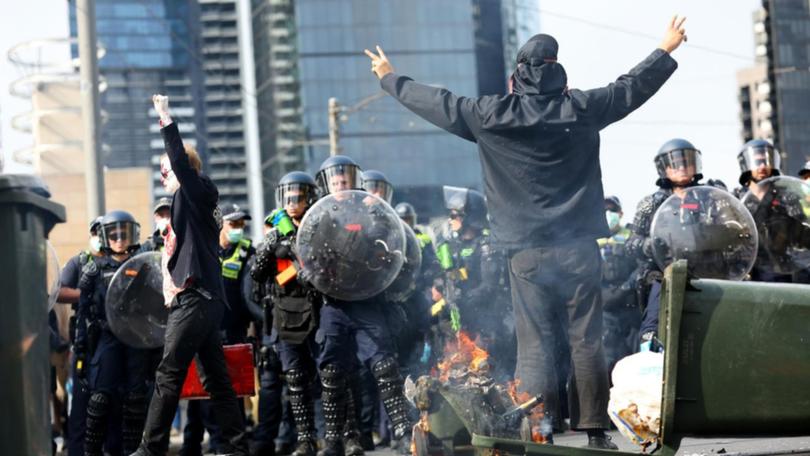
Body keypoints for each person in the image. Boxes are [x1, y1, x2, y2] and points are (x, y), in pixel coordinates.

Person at [365, 16, 687, 448]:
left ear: (517, 72)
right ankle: (595, 433)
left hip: (525, 254)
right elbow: (630, 88)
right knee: (586, 342)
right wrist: (664, 49)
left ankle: (540, 431)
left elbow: (438, 102)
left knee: (534, 345)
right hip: (577, 249)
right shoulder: (582, 108)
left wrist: (390, 79)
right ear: (558, 68)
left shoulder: (490, 114)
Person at [131, 94, 247, 456]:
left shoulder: (195, 191)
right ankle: (235, 446)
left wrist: (164, 118)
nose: (164, 175)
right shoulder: (196, 204)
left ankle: (150, 449)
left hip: (195, 300)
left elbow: (181, 161)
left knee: (168, 375)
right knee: (216, 378)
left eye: (166, 169)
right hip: (205, 302)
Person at [306, 155, 413, 455]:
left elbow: (386, 242)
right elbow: (309, 255)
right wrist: (308, 271)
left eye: (345, 179)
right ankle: (334, 440)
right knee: (331, 372)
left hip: (367, 301)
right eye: (336, 180)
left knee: (384, 365)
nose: (341, 184)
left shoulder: (371, 213)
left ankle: (404, 432)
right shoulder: (319, 217)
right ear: (327, 183)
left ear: (354, 180)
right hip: (335, 304)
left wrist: (375, 229)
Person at [251, 171, 323, 456]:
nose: (293, 203)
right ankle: (305, 439)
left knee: (328, 374)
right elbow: (257, 275)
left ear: (309, 198)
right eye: (288, 197)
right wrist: (271, 248)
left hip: (318, 311)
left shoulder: (319, 226)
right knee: (294, 378)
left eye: (299, 197)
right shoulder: (276, 233)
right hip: (286, 314)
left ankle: (337, 435)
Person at [181, 203, 257, 455]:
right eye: (233, 224)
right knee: (200, 391)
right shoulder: (203, 248)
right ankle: (197, 443)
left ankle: (226, 443)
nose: (238, 229)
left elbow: (252, 295)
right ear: (220, 225)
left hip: (234, 330)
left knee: (231, 390)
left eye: (241, 224)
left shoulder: (248, 251)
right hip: (204, 330)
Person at [76, 210, 149, 455]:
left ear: (133, 235)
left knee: (136, 401)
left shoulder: (143, 267)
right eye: (114, 234)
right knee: (99, 399)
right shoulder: (93, 270)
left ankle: (133, 451)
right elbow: (83, 315)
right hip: (107, 338)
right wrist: (81, 351)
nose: (119, 239)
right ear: (106, 237)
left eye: (123, 234)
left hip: (137, 339)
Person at [625, 138, 705, 351]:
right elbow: (631, 242)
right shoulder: (651, 203)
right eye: (675, 164)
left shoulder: (709, 198)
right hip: (664, 274)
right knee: (652, 325)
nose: (681, 168)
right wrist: (650, 245)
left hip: (706, 273)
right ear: (665, 169)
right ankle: (651, 364)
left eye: (686, 162)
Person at [57, 216, 107, 456]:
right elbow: (59, 291)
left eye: (103, 231)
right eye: (96, 232)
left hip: (112, 339)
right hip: (85, 340)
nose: (100, 236)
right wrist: (85, 294)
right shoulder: (79, 261)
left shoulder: (116, 261)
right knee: (80, 404)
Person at [736, 139, 810, 283]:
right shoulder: (737, 200)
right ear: (746, 164)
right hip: (747, 270)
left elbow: (801, 234)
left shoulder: (786, 198)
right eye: (757, 162)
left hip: (780, 268)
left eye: (766, 161)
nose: (762, 166)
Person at [597, 197, 639, 376]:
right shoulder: (588, 240)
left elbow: (641, 267)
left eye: (612, 210)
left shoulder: (631, 236)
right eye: (603, 209)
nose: (608, 214)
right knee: (608, 361)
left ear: (620, 213)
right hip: (604, 310)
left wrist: (626, 288)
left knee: (636, 360)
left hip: (630, 307)